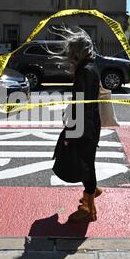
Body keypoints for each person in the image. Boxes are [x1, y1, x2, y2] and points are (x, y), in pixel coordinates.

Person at [50, 27, 103, 223]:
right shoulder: (92, 67)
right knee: (87, 160)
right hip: (91, 122)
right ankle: (92, 191)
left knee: (84, 163)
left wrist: (72, 131)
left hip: (83, 124)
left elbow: (79, 104)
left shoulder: (83, 71)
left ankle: (89, 207)